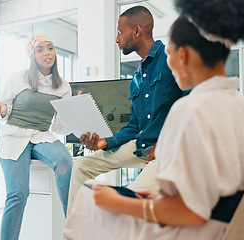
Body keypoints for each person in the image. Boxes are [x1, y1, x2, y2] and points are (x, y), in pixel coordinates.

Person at [64, 0, 244, 239]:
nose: (168, 61)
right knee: (89, 177)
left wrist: (117, 202)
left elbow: (190, 213)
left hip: (202, 229)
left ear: (183, 55)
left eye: (170, 54)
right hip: (235, 226)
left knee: (107, 209)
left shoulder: (190, 109)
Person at [67, 6, 185, 214]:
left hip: (169, 151)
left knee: (124, 203)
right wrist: (106, 142)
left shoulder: (171, 58)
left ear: (137, 31)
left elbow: (192, 104)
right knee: (80, 166)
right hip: (143, 144)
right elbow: (133, 127)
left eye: (120, 32)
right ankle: (78, 231)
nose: (116, 39)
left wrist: (167, 141)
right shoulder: (137, 79)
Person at [0, 34, 73, 240]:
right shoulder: (18, 78)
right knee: (18, 194)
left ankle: (73, 226)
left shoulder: (63, 86)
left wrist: (72, 113)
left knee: (64, 162)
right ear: (32, 56)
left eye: (50, 48)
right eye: (40, 49)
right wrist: (1, 109)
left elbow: (60, 128)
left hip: (42, 136)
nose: (47, 53)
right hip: (14, 137)